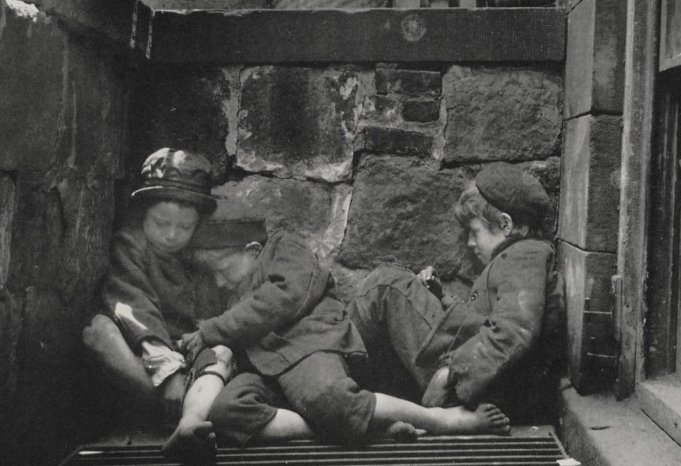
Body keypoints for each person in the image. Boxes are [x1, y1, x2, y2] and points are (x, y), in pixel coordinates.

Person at [186, 203, 512, 448]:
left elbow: (287, 295)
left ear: (253, 251)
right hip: (267, 373)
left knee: (329, 397)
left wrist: (214, 330)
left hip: (307, 345)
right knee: (226, 412)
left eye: (222, 269)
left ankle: (443, 420)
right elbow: (216, 351)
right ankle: (365, 427)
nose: (218, 280)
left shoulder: (283, 248)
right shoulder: (222, 294)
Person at [350, 162, 565, 425]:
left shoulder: (525, 255)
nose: (471, 244)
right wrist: (441, 297)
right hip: (483, 380)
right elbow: (485, 320)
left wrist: (451, 372)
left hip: (477, 386)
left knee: (385, 287)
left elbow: (514, 331)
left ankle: (339, 390)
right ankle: (353, 394)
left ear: (506, 224)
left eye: (474, 232)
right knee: (394, 285)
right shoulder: (518, 258)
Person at [81, 147, 233, 464]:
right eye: (161, 223)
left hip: (185, 358)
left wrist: (195, 354)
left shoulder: (198, 262)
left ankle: (190, 418)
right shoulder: (131, 244)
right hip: (143, 354)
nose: (171, 235)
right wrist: (168, 372)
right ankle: (166, 409)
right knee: (97, 331)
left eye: (184, 227)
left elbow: (206, 324)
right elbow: (132, 305)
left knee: (223, 354)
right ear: (144, 214)